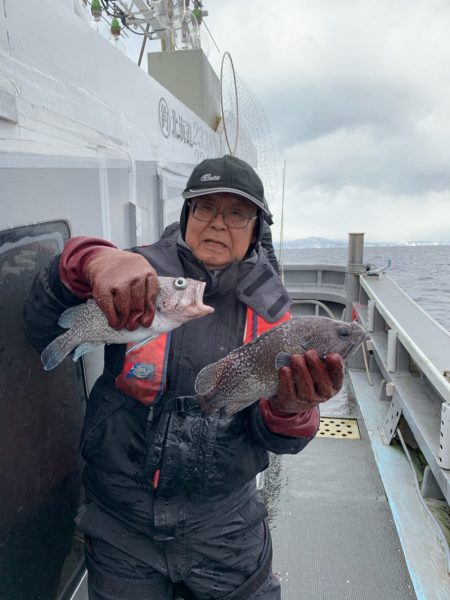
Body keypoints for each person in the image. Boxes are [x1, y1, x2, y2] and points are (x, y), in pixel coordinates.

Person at [24, 155, 344, 600]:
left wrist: (292, 409)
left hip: (224, 525)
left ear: (256, 228)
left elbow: (277, 439)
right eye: (205, 207)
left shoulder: (274, 311)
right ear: (186, 213)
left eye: (236, 213)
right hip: (121, 520)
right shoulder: (134, 270)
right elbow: (40, 327)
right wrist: (83, 263)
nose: (218, 223)